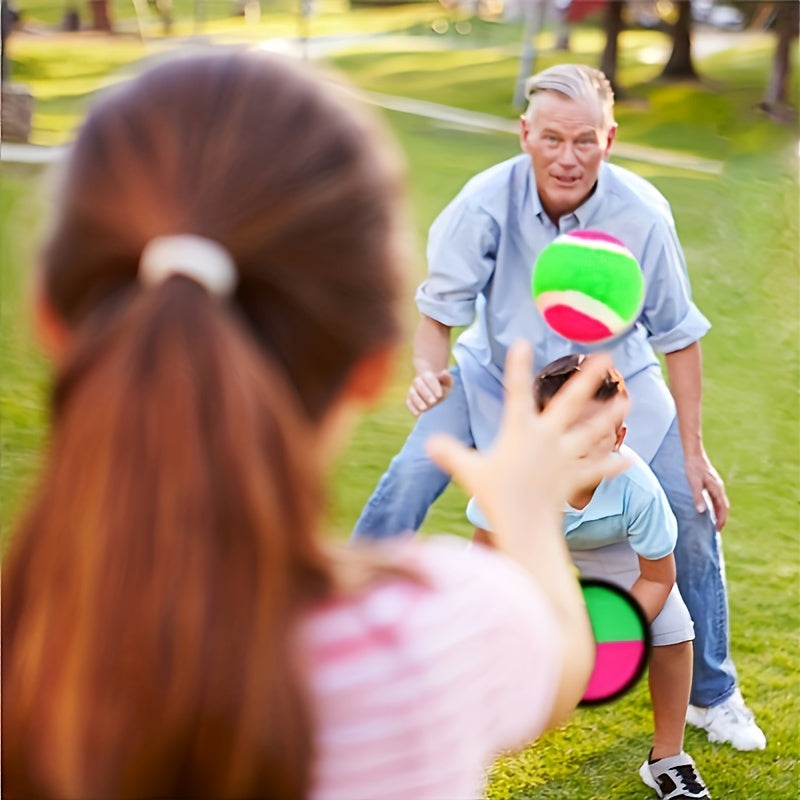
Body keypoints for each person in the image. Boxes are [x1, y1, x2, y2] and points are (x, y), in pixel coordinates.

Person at [1, 50, 635, 799]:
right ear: (371, 364)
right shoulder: (437, 636)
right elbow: (564, 660)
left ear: (50, 318)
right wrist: (528, 514)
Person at [352, 62, 766, 752]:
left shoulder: (643, 215)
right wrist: (429, 374)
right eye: (551, 139)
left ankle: (714, 694)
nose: (566, 158)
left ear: (610, 137)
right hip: (497, 375)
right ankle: (341, 639)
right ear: (524, 134)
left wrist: (694, 452)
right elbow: (438, 315)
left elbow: (680, 338)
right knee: (410, 475)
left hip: (610, 381)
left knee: (689, 506)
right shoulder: (484, 203)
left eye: (583, 140)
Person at [469, 354, 711, 798]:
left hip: (610, 546)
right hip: (531, 546)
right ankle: (470, 751)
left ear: (619, 437)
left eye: (593, 435)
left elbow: (657, 578)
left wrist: (613, 629)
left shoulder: (638, 489)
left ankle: (667, 757)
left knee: (674, 629)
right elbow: (484, 559)